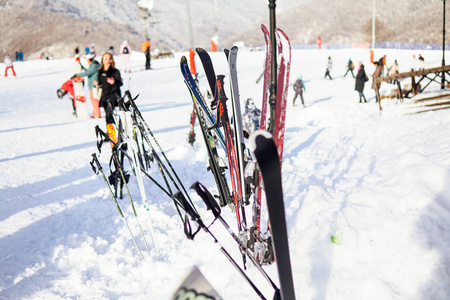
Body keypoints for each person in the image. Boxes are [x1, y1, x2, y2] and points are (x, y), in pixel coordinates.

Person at [94, 52, 123, 144]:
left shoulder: (115, 71)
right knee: (107, 116)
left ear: (111, 60)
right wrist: (97, 83)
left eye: (107, 58)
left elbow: (120, 82)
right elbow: (100, 81)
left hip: (113, 95)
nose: (105, 60)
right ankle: (111, 132)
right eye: (104, 58)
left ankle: (115, 134)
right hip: (104, 95)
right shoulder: (100, 71)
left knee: (109, 114)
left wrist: (114, 82)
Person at [75, 52, 101, 118]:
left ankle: (97, 114)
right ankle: (95, 113)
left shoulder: (94, 65)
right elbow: (88, 71)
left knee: (94, 100)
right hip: (91, 85)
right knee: (93, 100)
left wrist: (76, 75)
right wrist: (81, 65)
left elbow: (88, 73)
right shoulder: (93, 64)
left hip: (94, 86)